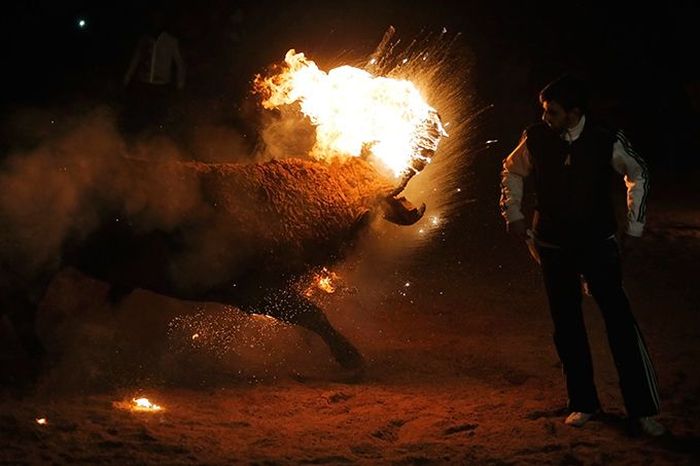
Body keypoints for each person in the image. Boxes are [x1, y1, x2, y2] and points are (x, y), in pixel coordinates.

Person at [500, 75, 665, 436]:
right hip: (552, 245)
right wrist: (513, 212)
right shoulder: (537, 137)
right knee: (567, 325)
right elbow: (512, 170)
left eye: (553, 112)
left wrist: (634, 227)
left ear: (574, 113)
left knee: (619, 322)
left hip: (596, 243)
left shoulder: (605, 138)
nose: (546, 118)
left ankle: (643, 409)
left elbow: (638, 173)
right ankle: (583, 403)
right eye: (544, 111)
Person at [122, 9, 186, 135]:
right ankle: (141, 141)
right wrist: (127, 77)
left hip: (161, 85)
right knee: (141, 115)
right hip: (144, 83)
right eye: (154, 20)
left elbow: (180, 64)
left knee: (157, 116)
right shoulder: (145, 40)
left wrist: (180, 84)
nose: (156, 23)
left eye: (159, 20)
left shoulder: (171, 41)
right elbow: (136, 59)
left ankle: (156, 141)